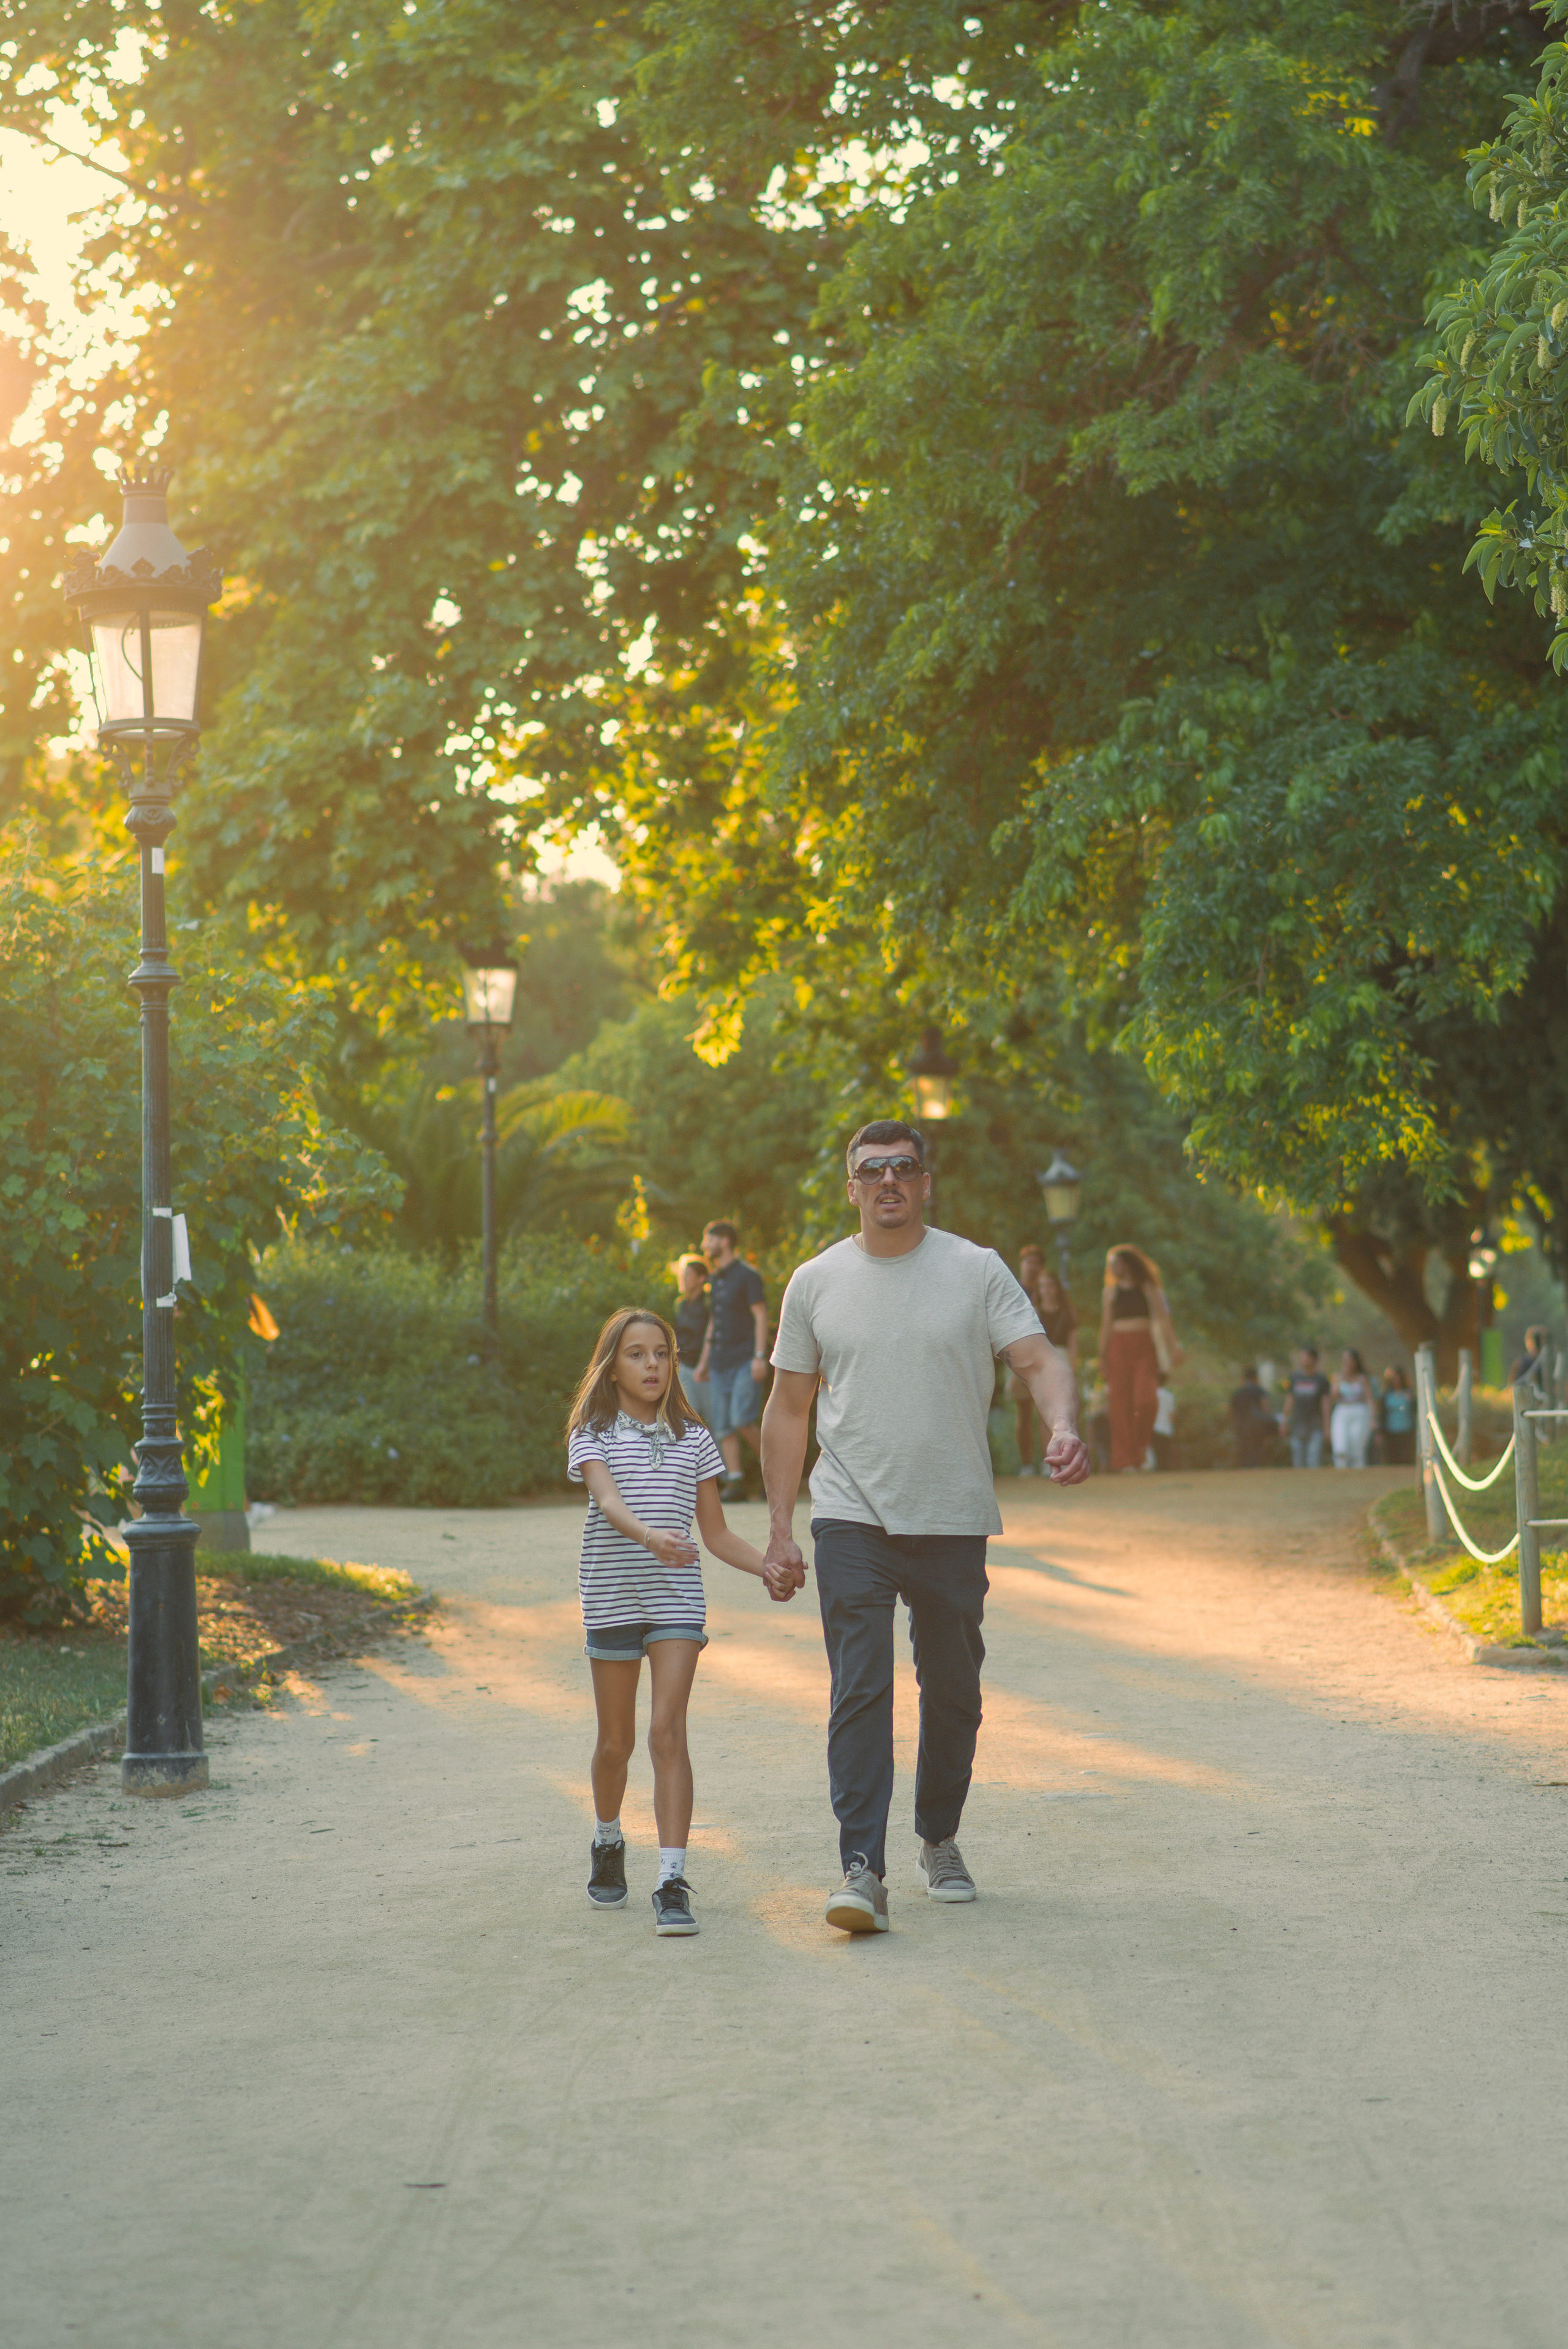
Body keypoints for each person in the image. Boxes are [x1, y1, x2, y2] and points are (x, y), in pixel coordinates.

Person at [760, 1119, 1089, 1935]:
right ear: (852, 1188)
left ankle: (938, 1835)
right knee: (860, 1686)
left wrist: (1062, 1424)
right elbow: (788, 1407)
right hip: (849, 1512)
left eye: (903, 1167)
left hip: (950, 1514)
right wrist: (778, 1528)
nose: (889, 1182)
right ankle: (861, 1867)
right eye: (871, 1171)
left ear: (926, 1181)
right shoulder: (816, 1280)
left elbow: (1042, 1359)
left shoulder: (975, 1270)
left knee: (954, 1691)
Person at [567, 1305, 794, 1935]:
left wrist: (767, 1567)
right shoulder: (591, 1433)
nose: (652, 1366)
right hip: (612, 1597)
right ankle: (608, 1838)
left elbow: (716, 1535)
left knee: (668, 1732)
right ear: (612, 1368)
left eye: (662, 1354)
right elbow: (608, 1501)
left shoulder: (695, 1440)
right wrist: (650, 1538)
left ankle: (671, 1879)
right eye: (637, 1355)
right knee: (616, 1745)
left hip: (674, 1601)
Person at [695, 1220, 769, 1500]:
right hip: (718, 1362)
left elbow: (761, 1315)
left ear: (724, 1241)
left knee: (742, 1419)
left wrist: (760, 1357)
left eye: (708, 1239)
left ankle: (774, 1472)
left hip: (744, 1360)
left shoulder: (748, 1276)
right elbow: (713, 1323)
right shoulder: (713, 1280)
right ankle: (735, 1482)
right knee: (723, 1425)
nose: (704, 1245)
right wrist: (704, 1362)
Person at [1099, 1245, 1181, 1473]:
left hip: (1144, 1346)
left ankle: (1141, 1449)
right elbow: (1106, 1326)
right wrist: (1102, 1356)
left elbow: (1165, 1320)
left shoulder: (1148, 1289)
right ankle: (1126, 1460)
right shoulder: (1110, 1293)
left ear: (1128, 1264)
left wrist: (1175, 1347)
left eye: (1115, 1263)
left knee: (1146, 1400)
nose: (1112, 1268)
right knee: (1120, 1404)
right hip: (1118, 1347)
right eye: (1110, 1265)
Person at [1011, 1247, 1078, 1475]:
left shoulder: (1063, 1308)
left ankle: (1048, 1460)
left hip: (1051, 1360)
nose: (1032, 1267)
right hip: (1022, 1358)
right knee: (1023, 1415)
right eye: (1027, 1262)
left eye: (1035, 1263)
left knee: (1049, 1415)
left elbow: (1072, 1337)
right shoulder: (1012, 1288)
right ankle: (1026, 1463)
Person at [671, 1254, 710, 1423]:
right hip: (684, 1369)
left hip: (707, 1372)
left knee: (713, 1422)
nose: (683, 1278)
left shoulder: (709, 1305)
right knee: (689, 1421)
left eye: (687, 1275)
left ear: (701, 1279)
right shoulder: (681, 1305)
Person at [1280, 1345, 1331, 1468]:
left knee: (1314, 1460)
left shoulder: (1321, 1379)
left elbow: (1326, 1404)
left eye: (1304, 1357)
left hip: (1315, 1425)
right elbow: (1290, 1400)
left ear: (1312, 1359)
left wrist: (1327, 1427)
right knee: (1298, 1461)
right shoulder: (1295, 1378)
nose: (1301, 1360)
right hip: (1297, 1425)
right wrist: (1284, 1421)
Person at [1329, 1347, 1374, 1469]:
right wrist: (1339, 1380)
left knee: (1356, 1448)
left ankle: (1358, 1474)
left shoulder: (1362, 1378)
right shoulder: (1337, 1376)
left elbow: (1369, 1399)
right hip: (1342, 1411)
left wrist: (1373, 1418)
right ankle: (1341, 1472)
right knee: (1340, 1447)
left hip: (1360, 1411)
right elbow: (1334, 1396)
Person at [1229, 1367, 1274, 1469]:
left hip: (1241, 1426)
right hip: (1257, 1426)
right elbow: (1266, 1408)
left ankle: (1245, 1472)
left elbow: (1232, 1411)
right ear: (1255, 1378)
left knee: (1244, 1451)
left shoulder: (1237, 1392)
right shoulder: (1259, 1390)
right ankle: (1256, 1471)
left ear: (1243, 1378)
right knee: (1257, 1450)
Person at [1379, 1365, 1415, 1467]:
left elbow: (1415, 1410)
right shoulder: (1386, 1395)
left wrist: (1412, 1400)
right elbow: (1382, 1413)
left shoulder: (1409, 1394)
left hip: (1406, 1430)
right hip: (1391, 1430)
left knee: (1405, 1456)